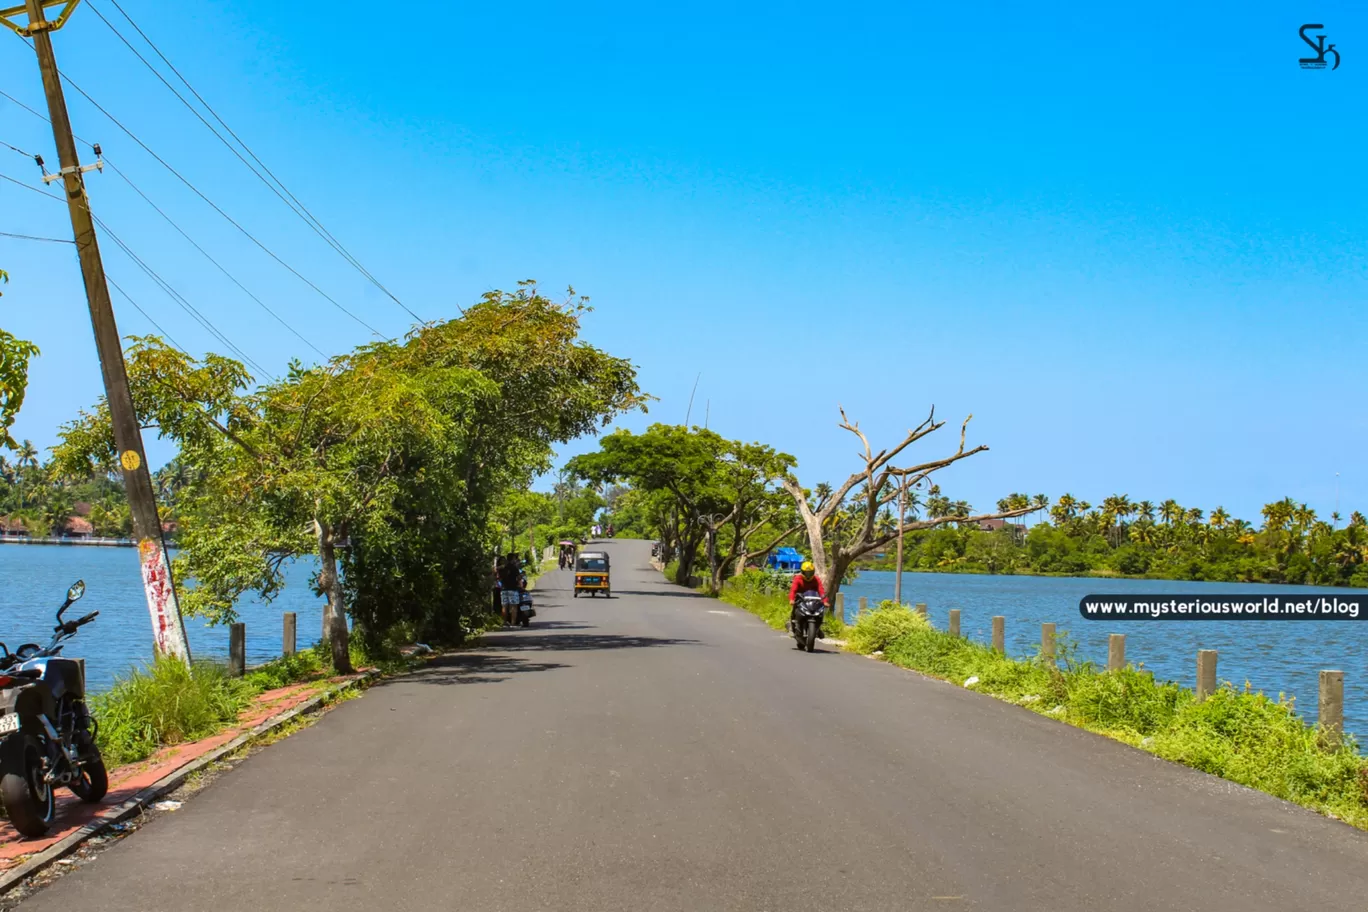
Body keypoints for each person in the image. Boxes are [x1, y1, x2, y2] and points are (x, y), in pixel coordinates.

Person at [788, 561, 827, 630]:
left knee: (820, 610)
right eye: (806, 573)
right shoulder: (798, 578)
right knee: (795, 608)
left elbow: (821, 590)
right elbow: (793, 590)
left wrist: (824, 601)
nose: (808, 575)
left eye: (810, 573)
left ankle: (818, 627)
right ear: (802, 572)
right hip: (800, 598)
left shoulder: (816, 579)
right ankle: (793, 625)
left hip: (813, 598)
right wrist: (791, 599)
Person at [498, 553, 523, 626]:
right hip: (513, 589)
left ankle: (504, 622)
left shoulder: (503, 567)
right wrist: (520, 578)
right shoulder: (514, 568)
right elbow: (518, 578)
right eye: (515, 558)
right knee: (513, 606)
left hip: (503, 588)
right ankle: (513, 623)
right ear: (513, 559)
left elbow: (498, 574)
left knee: (504, 606)